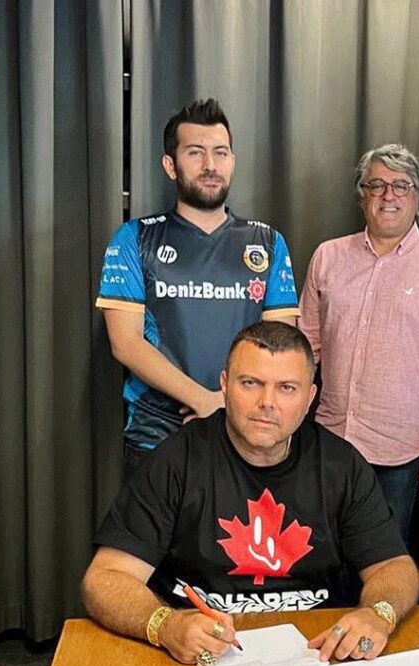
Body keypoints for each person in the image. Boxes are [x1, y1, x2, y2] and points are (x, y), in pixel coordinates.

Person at [82, 322, 419, 666]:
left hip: (315, 650)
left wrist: (379, 613)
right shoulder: (176, 460)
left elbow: (394, 567)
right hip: (200, 651)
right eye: (250, 383)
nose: (267, 403)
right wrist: (165, 625)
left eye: (287, 388)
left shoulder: (341, 465)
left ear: (309, 397)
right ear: (225, 386)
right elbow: (105, 578)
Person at [96, 98, 299, 471]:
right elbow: (125, 342)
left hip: (244, 433)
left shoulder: (268, 243)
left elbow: (281, 345)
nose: (210, 165)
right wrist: (204, 401)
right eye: (195, 152)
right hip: (156, 435)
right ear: (170, 165)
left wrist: (229, 405)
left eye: (221, 153)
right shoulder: (134, 238)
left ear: (232, 161)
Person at [300, 144, 419, 542]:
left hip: (400, 455)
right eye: (376, 185)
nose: (388, 195)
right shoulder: (327, 257)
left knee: (386, 556)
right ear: (362, 195)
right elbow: (303, 349)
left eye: (401, 186)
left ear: (417, 196)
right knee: (321, 550)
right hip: (329, 442)